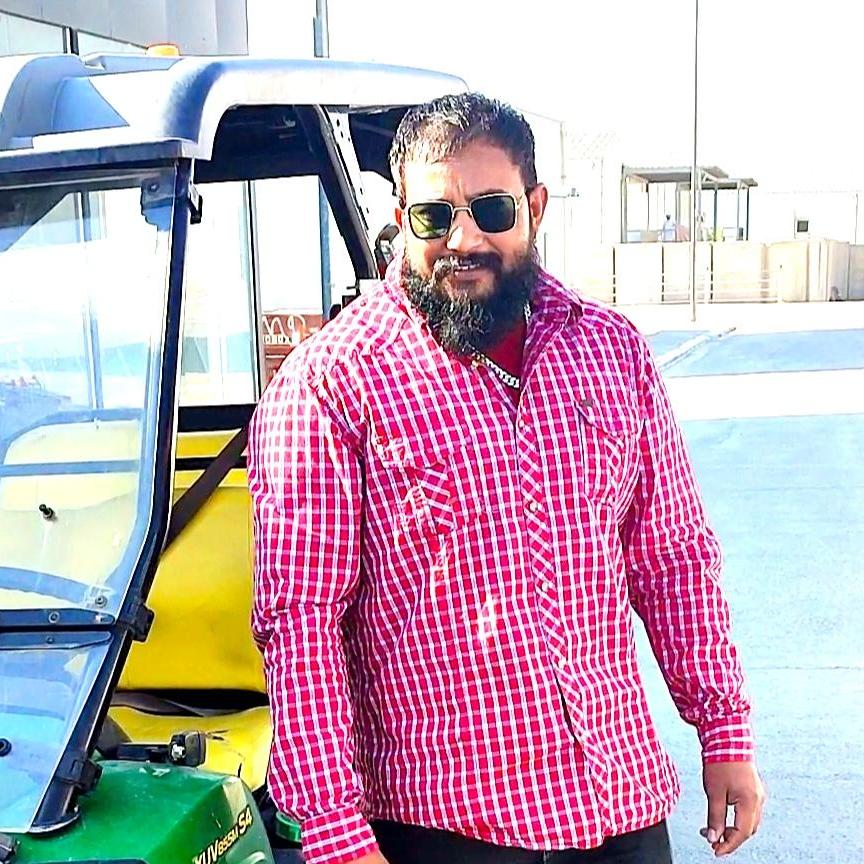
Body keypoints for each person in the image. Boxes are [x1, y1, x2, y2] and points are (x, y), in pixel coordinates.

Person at [248, 93, 765, 864]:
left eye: (491, 209)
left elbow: (671, 560)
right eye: (434, 216)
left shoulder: (611, 352)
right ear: (402, 218)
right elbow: (302, 621)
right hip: (444, 827)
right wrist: (332, 829)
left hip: (618, 805)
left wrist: (723, 729)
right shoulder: (332, 380)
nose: (463, 239)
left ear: (535, 207)